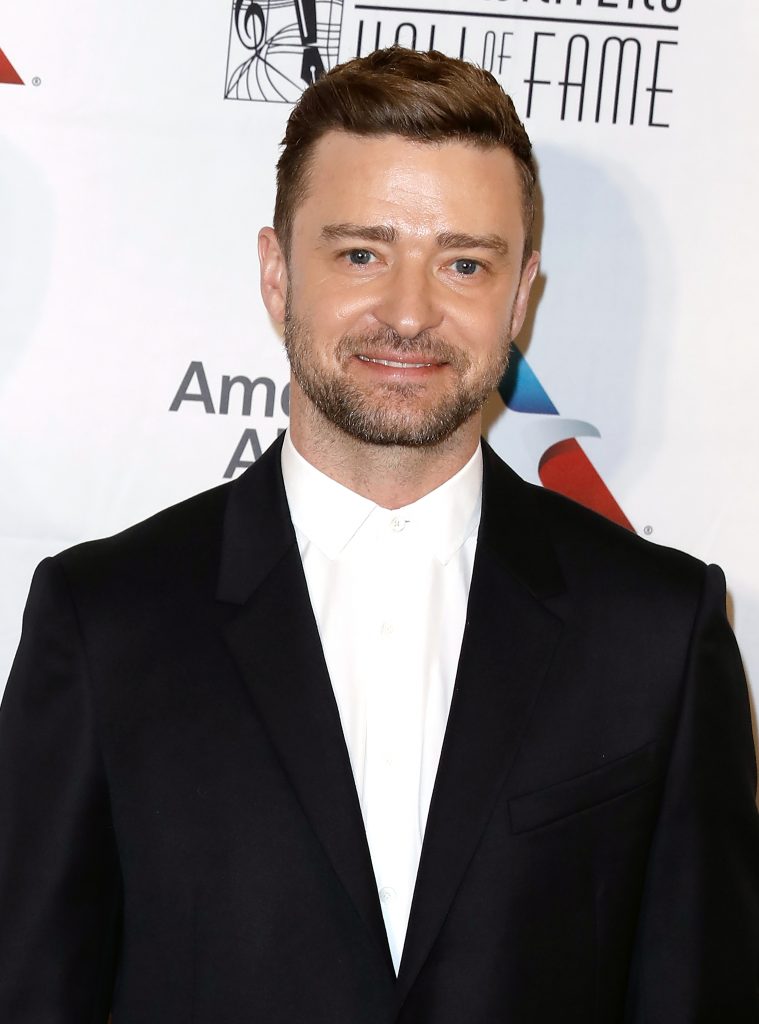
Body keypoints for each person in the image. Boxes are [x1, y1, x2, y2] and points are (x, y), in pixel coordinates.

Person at [0, 46, 757, 1024]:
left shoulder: (657, 631)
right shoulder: (105, 624)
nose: (410, 312)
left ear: (521, 296)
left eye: (464, 263)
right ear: (277, 276)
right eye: (362, 253)